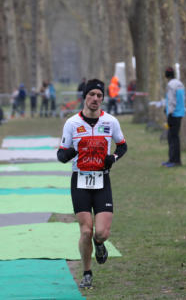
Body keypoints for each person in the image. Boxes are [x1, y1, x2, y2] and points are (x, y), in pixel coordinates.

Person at [57, 79, 127, 289]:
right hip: (80, 180)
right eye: (92, 95)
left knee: (101, 233)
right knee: (86, 231)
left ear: (103, 98)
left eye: (99, 95)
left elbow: (122, 146)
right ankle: (87, 272)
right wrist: (72, 151)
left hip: (101, 180)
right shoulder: (72, 124)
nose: (95, 99)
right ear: (84, 97)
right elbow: (61, 155)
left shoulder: (111, 122)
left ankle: (100, 245)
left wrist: (113, 158)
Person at [162, 66, 185, 167]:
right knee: (174, 137)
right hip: (180, 113)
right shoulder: (180, 84)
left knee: (172, 138)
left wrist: (169, 112)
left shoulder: (170, 85)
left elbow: (171, 100)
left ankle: (174, 161)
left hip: (173, 114)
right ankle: (173, 159)